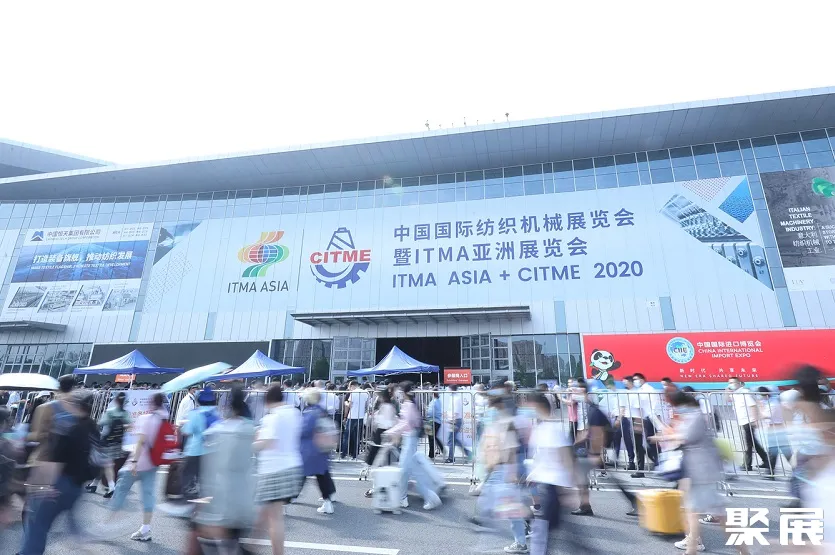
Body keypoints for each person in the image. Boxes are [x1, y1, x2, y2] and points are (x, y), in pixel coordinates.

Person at [657, 391, 746, 554]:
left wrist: (665, 437)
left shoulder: (696, 417)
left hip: (701, 471)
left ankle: (693, 548)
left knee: (695, 511)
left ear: (682, 404)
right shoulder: (692, 416)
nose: (675, 409)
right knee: (713, 513)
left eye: (675, 406)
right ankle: (743, 551)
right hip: (699, 470)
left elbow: (686, 438)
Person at [18, 391, 99, 555]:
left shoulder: (68, 428)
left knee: (37, 524)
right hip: (77, 486)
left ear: (76, 405)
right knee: (59, 520)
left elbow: (56, 461)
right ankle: (82, 541)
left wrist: (42, 485)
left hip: (59, 483)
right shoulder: (93, 428)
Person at [192, 385, 256, 554]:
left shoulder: (220, 429)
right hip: (243, 492)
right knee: (233, 541)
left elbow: (211, 465)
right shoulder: (249, 428)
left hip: (222, 494)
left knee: (215, 543)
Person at [97, 392, 168, 542]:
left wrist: (134, 461)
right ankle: (145, 529)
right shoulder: (163, 419)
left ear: (151, 403)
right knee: (148, 494)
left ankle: (105, 526)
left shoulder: (145, 418)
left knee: (120, 491)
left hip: (137, 463)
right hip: (153, 463)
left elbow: (141, 441)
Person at [473, 390, 527, 554]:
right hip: (496, 470)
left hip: (503, 471)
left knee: (505, 509)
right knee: (495, 507)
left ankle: (518, 541)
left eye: (493, 407)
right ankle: (518, 539)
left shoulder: (507, 424)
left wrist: (512, 472)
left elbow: (511, 451)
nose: (490, 410)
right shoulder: (497, 423)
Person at [254, 384, 303, 555]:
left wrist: (251, 444)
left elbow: (267, 442)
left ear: (267, 401)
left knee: (274, 517)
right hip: (292, 465)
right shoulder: (294, 413)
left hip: (274, 469)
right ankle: (249, 547)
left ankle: (275, 552)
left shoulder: (272, 417)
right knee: (266, 513)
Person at [526, 393, 573, 555]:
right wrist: (533, 474)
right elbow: (542, 458)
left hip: (551, 487)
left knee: (541, 532)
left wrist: (567, 490)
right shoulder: (541, 429)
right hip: (545, 484)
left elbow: (565, 458)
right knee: (544, 531)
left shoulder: (552, 430)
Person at [384, 381, 442, 511]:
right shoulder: (409, 404)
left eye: (400, 391)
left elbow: (406, 424)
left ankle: (425, 497)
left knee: (405, 470)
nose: (398, 393)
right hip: (410, 439)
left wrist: (391, 432)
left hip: (410, 440)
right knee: (410, 471)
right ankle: (406, 498)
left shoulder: (408, 405)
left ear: (404, 392)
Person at [178, 387, 219, 506]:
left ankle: (188, 503)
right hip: (212, 451)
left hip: (195, 450)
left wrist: (183, 424)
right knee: (206, 479)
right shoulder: (216, 413)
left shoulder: (195, 413)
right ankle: (207, 503)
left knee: (187, 475)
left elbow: (187, 431)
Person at [86, 391, 131, 497]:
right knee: (104, 464)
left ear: (116, 400)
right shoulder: (125, 413)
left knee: (106, 465)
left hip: (107, 442)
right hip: (118, 443)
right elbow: (129, 426)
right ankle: (94, 484)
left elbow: (101, 423)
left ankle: (111, 487)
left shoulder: (110, 412)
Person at [300, 388, 337, 514]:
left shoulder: (309, 412)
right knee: (322, 475)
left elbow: (304, 430)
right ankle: (328, 498)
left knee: (301, 474)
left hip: (310, 448)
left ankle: (288, 499)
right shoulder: (322, 411)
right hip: (322, 448)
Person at [727, 377, 770, 472]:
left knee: (748, 444)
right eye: (729, 383)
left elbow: (753, 405)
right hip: (743, 421)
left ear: (739, 383)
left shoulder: (745, 392)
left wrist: (754, 420)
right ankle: (767, 461)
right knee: (753, 443)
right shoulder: (736, 394)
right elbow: (728, 400)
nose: (731, 384)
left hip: (749, 421)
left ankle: (747, 465)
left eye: (733, 382)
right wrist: (727, 392)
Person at [628, 373, 661, 478]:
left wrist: (638, 423)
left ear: (642, 379)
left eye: (636, 379)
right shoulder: (646, 390)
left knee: (642, 445)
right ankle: (658, 464)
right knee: (650, 444)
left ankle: (642, 469)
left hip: (642, 419)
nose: (635, 381)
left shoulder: (644, 391)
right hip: (646, 419)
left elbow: (640, 408)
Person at [444, 384, 472, 463]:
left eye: (448, 389)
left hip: (455, 421)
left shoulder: (456, 398)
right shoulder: (453, 397)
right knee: (454, 439)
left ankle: (451, 458)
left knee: (451, 440)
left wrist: (453, 421)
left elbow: (455, 411)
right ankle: (469, 453)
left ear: (451, 389)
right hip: (453, 420)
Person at [341, 381, 367, 460]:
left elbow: (350, 405)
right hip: (361, 417)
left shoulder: (353, 393)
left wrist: (345, 403)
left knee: (347, 436)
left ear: (352, 386)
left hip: (352, 416)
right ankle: (355, 454)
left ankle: (344, 453)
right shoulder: (365, 393)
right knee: (357, 437)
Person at [427, 391, 444, 460]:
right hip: (438, 421)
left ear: (433, 394)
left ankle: (431, 454)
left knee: (431, 438)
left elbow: (430, 412)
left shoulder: (433, 402)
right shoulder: (439, 401)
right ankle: (442, 448)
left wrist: (427, 415)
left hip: (432, 421)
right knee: (435, 437)